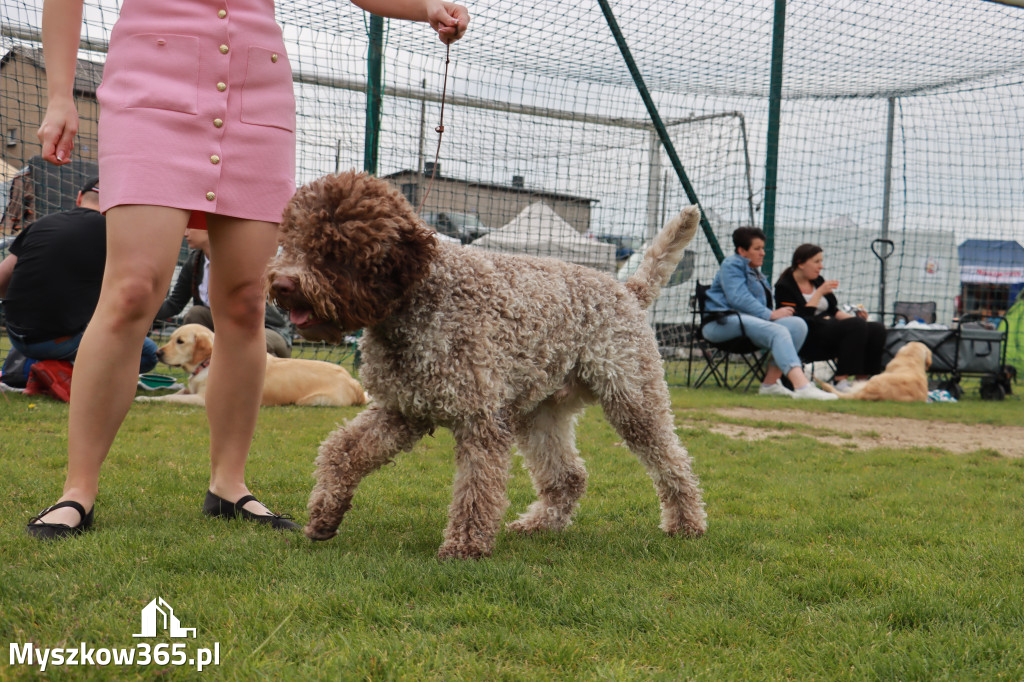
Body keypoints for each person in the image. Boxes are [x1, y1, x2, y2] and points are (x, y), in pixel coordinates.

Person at [28, 0, 469, 539]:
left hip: (257, 96)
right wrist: (58, 95)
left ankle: (229, 486)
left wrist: (425, 7)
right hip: (151, 89)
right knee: (131, 291)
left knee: (244, 300)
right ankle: (77, 491)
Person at [0, 177, 158, 374]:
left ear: (79, 197)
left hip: (16, 334)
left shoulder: (42, 223)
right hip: (62, 340)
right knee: (149, 353)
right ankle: (66, 371)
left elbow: (2, 280)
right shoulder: (116, 233)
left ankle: (33, 365)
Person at [702, 227, 838, 400]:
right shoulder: (732, 264)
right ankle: (802, 386)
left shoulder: (755, 271)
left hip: (747, 323)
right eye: (757, 249)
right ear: (742, 251)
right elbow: (738, 298)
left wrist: (771, 315)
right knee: (778, 330)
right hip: (720, 323)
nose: (762, 253)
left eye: (763, 248)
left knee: (797, 325)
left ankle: (770, 384)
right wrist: (770, 315)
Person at [155, 221, 293, 358]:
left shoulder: (239, 258)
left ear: (209, 228)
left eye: (191, 227)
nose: (185, 233)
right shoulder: (194, 262)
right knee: (196, 313)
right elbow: (174, 304)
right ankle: (204, 371)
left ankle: (265, 369)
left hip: (265, 329)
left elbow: (247, 311)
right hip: (228, 329)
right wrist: (140, 313)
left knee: (243, 345)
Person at [774, 243, 886, 392]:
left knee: (876, 328)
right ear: (800, 264)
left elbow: (833, 311)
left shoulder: (817, 280)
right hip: (807, 337)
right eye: (816, 262)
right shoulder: (784, 286)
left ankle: (862, 382)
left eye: (821, 261)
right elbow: (801, 319)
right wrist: (819, 293)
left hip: (829, 329)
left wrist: (860, 319)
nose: (821, 266)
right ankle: (840, 381)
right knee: (855, 325)